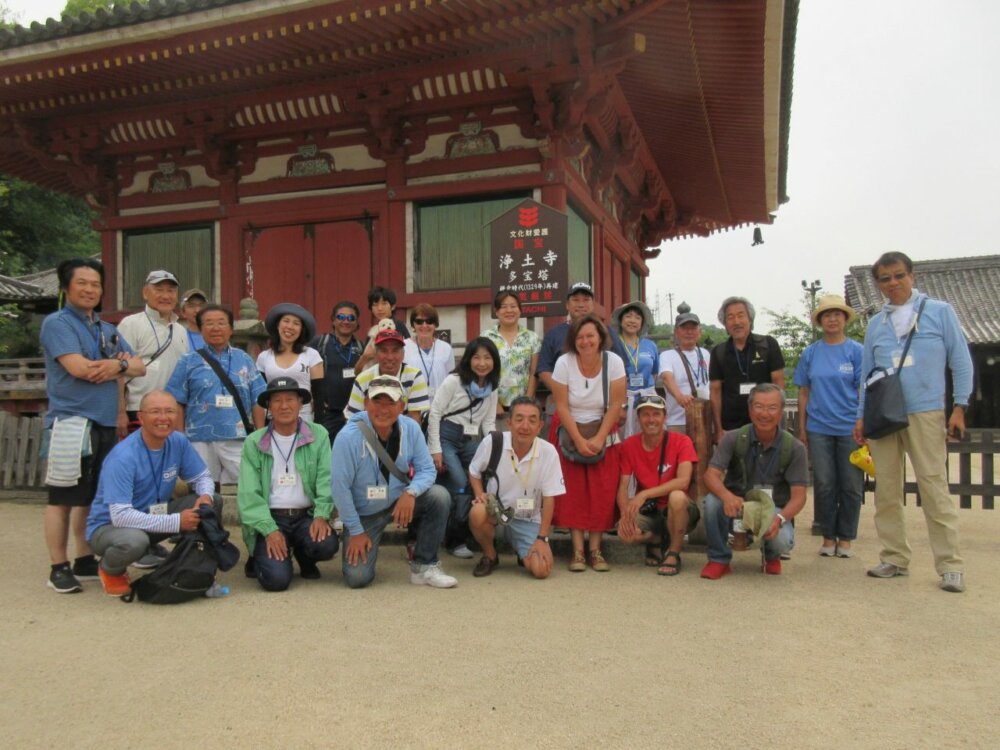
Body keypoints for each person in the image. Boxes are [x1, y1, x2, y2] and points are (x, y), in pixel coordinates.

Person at [853, 251, 973, 593]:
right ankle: (894, 556)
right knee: (887, 489)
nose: (893, 283)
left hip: (925, 409)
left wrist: (959, 406)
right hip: (883, 413)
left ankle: (950, 564)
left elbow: (961, 362)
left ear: (912, 276)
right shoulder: (876, 323)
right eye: (885, 278)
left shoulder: (939, 312)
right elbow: (867, 374)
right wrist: (861, 414)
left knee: (933, 486)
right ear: (877, 284)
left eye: (898, 275)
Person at [40, 258, 145, 593]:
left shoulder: (106, 329)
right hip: (71, 423)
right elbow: (79, 368)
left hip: (104, 423)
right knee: (62, 497)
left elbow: (139, 366)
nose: (89, 289)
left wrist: (116, 365)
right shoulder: (57, 323)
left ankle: (84, 556)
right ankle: (58, 565)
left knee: (91, 495)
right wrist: (119, 365)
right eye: (82, 283)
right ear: (66, 286)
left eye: (95, 284)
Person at [84, 391, 220, 596]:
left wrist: (206, 496)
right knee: (134, 541)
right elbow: (120, 516)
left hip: (152, 513)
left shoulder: (178, 441)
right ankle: (111, 569)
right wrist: (176, 522)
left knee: (212, 502)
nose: (163, 418)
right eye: (155, 412)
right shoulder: (123, 456)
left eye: (170, 412)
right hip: (110, 527)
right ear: (140, 417)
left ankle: (190, 562)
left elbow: (202, 477)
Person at [332, 375, 457, 589]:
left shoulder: (411, 428)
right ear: (365, 403)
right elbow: (339, 488)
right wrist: (355, 530)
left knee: (439, 496)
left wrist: (411, 492)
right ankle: (362, 538)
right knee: (357, 578)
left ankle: (424, 567)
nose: (383, 409)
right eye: (377, 401)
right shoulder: (347, 437)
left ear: (402, 405)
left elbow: (427, 469)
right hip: (365, 514)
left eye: (391, 402)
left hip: (400, 500)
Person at [237, 377, 338, 591]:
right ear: (269, 407)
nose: (284, 406)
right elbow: (249, 494)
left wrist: (322, 514)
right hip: (272, 518)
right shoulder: (254, 442)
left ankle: (304, 556)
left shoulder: (318, 434)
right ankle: (263, 553)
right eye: (277, 401)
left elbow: (326, 479)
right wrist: (269, 530)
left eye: (290, 399)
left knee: (326, 544)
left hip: (305, 516)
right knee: (276, 581)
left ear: (301, 403)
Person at [700, 384, 808, 579]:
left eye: (772, 407)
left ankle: (772, 555)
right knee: (711, 503)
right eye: (759, 406)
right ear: (750, 410)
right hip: (737, 504)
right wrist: (726, 496)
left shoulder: (794, 448)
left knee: (782, 541)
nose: (765, 414)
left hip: (772, 508)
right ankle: (718, 558)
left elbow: (799, 497)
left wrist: (780, 519)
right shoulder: (733, 438)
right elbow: (710, 475)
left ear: (781, 410)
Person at [550, 314, 627, 571]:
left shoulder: (613, 362)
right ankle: (577, 551)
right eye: (580, 337)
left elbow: (616, 404)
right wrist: (578, 439)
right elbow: (561, 405)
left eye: (590, 336)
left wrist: (599, 437)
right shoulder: (564, 362)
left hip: (603, 426)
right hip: (569, 428)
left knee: (602, 490)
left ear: (600, 338)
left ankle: (596, 549)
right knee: (573, 492)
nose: (585, 341)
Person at [794, 294, 864, 556]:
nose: (832, 319)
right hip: (819, 426)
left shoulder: (857, 351)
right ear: (820, 321)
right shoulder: (811, 353)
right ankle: (827, 536)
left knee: (851, 484)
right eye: (827, 315)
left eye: (837, 314)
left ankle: (845, 537)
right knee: (824, 483)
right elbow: (803, 391)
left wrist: (862, 421)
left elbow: (864, 390)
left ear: (845, 319)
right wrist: (802, 427)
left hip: (849, 427)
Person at [166, 304, 267, 484]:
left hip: (236, 436)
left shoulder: (243, 358)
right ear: (200, 329)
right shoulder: (188, 361)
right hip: (198, 438)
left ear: (230, 328)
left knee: (248, 484)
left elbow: (258, 398)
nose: (215, 328)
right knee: (201, 488)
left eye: (221, 323)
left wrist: (259, 434)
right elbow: (177, 401)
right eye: (209, 323)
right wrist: (180, 436)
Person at [467, 397, 563, 579]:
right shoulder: (493, 442)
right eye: (519, 419)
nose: (525, 426)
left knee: (541, 570)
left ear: (540, 425)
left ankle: (523, 551)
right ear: (509, 422)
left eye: (532, 420)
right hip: (495, 513)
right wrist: (480, 495)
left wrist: (543, 538)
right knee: (477, 512)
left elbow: (550, 497)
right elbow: (474, 472)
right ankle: (490, 555)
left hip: (527, 519)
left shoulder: (548, 452)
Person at [427, 337, 500, 558]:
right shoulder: (454, 381)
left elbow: (488, 424)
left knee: (483, 478)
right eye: (476, 357)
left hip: (469, 440)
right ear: (468, 359)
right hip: (447, 435)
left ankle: (470, 530)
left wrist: (495, 452)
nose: (482, 363)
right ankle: (453, 540)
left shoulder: (492, 388)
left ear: (494, 361)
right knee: (459, 482)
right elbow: (435, 413)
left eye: (487, 358)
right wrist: (435, 449)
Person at [616, 394, 699, 576]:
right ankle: (656, 538)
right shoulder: (629, 445)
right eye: (645, 414)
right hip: (649, 510)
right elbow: (623, 485)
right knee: (626, 533)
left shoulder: (681, 441)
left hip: (678, 508)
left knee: (676, 496)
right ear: (638, 419)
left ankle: (673, 553)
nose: (651, 419)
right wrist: (625, 516)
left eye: (656, 414)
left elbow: (683, 480)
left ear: (665, 417)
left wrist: (645, 494)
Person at [117, 270, 191, 424]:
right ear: (145, 293)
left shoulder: (180, 330)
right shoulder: (131, 324)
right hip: (138, 409)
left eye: (171, 291)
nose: (165, 296)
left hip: (172, 410)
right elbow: (118, 371)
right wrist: (120, 411)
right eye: (159, 290)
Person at [709, 296, 785, 440]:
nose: (736, 322)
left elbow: (779, 384)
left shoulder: (768, 345)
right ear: (725, 324)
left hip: (765, 422)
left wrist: (777, 424)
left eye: (741, 315)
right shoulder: (719, 352)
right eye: (730, 317)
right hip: (731, 427)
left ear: (750, 319)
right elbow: (715, 391)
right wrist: (718, 430)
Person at [536, 282, 623, 395]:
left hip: (602, 401)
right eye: (576, 300)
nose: (581, 305)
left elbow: (622, 366)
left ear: (593, 305)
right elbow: (544, 370)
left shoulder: (607, 331)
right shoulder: (553, 334)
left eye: (586, 300)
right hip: (564, 402)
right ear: (567, 305)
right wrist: (563, 393)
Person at [256, 303, 324, 423]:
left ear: (302, 329)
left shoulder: (312, 355)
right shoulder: (264, 357)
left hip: (304, 419)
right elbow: (260, 394)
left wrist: (319, 426)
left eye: (296, 323)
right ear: (278, 325)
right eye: (286, 321)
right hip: (273, 420)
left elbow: (319, 396)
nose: (290, 327)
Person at [345, 328, 430, 423]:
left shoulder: (414, 377)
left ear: (403, 354)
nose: (389, 357)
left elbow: (414, 420)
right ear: (376, 355)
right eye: (384, 351)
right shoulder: (362, 380)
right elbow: (352, 420)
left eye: (395, 351)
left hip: (404, 433)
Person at [483, 291, 540, 427]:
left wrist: (527, 402)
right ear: (496, 312)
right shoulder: (486, 337)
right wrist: (494, 403)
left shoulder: (532, 338)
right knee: (498, 445)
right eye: (503, 306)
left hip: (523, 407)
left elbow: (534, 373)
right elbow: (483, 372)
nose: (509, 310)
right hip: (495, 408)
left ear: (520, 311)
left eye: (513, 306)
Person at [312, 301, 365, 445]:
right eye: (341, 317)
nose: (345, 321)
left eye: (351, 318)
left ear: (356, 322)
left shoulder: (362, 348)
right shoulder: (319, 343)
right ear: (333, 320)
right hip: (327, 414)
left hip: (355, 413)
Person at [612, 300, 659, 438]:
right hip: (621, 400)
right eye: (628, 316)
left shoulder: (650, 345)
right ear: (621, 320)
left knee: (649, 437)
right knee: (621, 440)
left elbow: (655, 372)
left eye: (637, 317)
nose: (633, 320)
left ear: (642, 323)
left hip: (648, 398)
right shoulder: (612, 344)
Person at [659, 309, 711, 432]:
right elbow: (667, 378)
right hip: (678, 421)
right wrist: (680, 396)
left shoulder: (705, 353)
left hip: (704, 418)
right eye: (684, 328)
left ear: (700, 332)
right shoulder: (667, 355)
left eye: (693, 328)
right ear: (676, 332)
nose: (689, 332)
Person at [403, 303, 454, 402]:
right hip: (411, 407)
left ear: (435, 324)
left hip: (440, 407)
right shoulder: (404, 347)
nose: (424, 325)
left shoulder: (446, 348)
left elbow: (451, 380)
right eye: (419, 322)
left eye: (429, 321)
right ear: (413, 324)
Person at [354, 286, 411, 374]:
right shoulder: (373, 331)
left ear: (393, 306)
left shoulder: (397, 326)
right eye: (375, 305)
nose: (379, 308)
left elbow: (408, 354)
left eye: (384, 303)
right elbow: (360, 368)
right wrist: (365, 357)